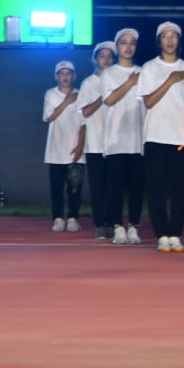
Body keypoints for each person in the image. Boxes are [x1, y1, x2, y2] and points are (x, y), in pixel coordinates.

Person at [137, 21, 184, 253]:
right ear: (159, 41)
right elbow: (148, 101)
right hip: (155, 136)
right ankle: (162, 234)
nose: (169, 40)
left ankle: (175, 233)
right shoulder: (149, 68)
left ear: (179, 40)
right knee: (156, 188)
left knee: (180, 188)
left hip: (180, 138)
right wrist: (170, 80)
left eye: (174, 36)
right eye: (165, 36)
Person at [101, 28, 145, 245]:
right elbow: (109, 100)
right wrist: (129, 82)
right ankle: (117, 226)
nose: (128, 47)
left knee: (137, 186)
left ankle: (134, 226)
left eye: (132, 43)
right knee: (115, 187)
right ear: (117, 47)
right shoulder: (109, 73)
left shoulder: (144, 72)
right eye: (124, 43)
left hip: (138, 139)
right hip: (115, 140)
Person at [78, 42, 116, 239]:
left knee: (114, 186)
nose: (106, 60)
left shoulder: (119, 81)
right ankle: (100, 223)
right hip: (95, 143)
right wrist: (104, 97)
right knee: (98, 186)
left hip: (115, 144)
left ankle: (113, 222)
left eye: (110, 56)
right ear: (95, 59)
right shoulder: (89, 83)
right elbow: (85, 111)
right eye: (102, 56)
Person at [42, 61, 86, 232]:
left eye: (68, 73)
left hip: (74, 149)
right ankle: (58, 218)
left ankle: (73, 217)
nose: (65, 76)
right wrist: (67, 101)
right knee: (56, 187)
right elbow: (50, 117)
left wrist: (80, 146)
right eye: (61, 73)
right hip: (55, 150)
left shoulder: (81, 95)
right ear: (56, 77)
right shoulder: (50, 94)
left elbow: (83, 123)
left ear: (74, 76)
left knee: (75, 186)